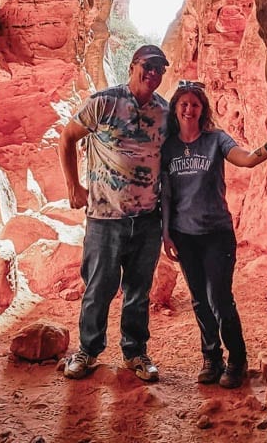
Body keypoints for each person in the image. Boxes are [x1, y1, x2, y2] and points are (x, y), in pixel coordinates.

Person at [160, 80, 267, 389]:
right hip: (183, 234)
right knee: (199, 300)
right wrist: (165, 233)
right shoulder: (168, 146)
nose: (189, 109)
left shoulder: (215, 140)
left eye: (195, 104)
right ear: (176, 108)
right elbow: (165, 194)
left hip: (216, 232)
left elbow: (245, 158)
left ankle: (237, 360)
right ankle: (211, 358)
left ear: (203, 110)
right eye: (184, 104)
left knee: (220, 298)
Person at [58, 45, 170, 382]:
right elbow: (66, 138)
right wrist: (73, 187)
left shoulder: (164, 112)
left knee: (139, 290)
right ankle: (88, 352)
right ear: (134, 65)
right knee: (98, 288)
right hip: (105, 217)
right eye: (148, 66)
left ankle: (135, 353)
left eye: (160, 68)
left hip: (148, 218)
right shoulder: (104, 102)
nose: (154, 73)